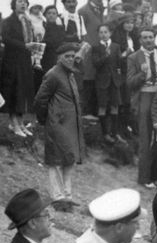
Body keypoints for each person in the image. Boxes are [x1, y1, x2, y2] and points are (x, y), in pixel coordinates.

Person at [34, 43, 85, 212]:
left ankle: (67, 196)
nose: (70, 59)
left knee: (69, 159)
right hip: (57, 125)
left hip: (70, 125)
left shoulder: (70, 74)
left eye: (72, 56)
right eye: (67, 56)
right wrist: (47, 120)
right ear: (59, 57)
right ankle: (58, 197)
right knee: (56, 161)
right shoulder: (53, 74)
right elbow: (40, 100)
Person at [127, 27, 157, 187]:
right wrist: (142, 74)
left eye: (151, 37)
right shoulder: (134, 57)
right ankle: (145, 178)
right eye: (145, 38)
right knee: (146, 139)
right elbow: (130, 83)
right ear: (140, 40)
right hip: (145, 96)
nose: (148, 40)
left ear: (154, 38)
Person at [2, 0, 39, 137]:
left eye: (25, 2)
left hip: (25, 61)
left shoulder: (28, 21)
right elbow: (6, 39)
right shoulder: (8, 21)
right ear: (14, 4)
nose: (23, 4)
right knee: (13, 91)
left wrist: (34, 46)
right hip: (12, 61)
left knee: (23, 91)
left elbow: (31, 39)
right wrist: (24, 46)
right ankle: (14, 124)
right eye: (20, 2)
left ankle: (20, 122)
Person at [92, 24, 123, 144]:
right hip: (102, 81)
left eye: (105, 32)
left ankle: (114, 133)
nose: (103, 34)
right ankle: (105, 134)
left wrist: (119, 78)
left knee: (115, 105)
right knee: (102, 106)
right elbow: (95, 64)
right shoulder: (96, 47)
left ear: (110, 33)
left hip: (114, 81)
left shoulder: (116, 46)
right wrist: (105, 55)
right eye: (101, 32)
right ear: (98, 34)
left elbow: (119, 64)